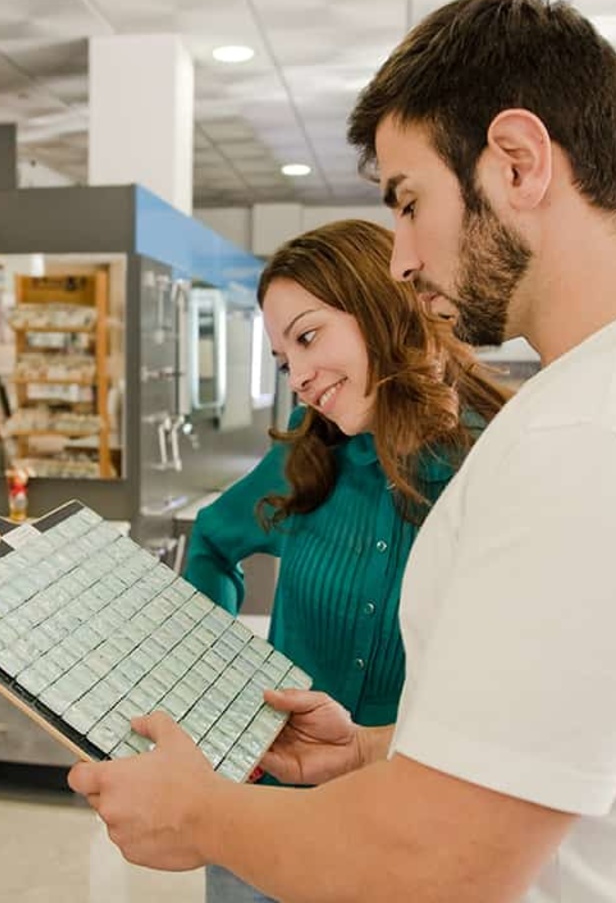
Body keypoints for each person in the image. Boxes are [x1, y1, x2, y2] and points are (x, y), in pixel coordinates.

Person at [68, 0, 616, 903]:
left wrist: (193, 812)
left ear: (518, 162)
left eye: (409, 202)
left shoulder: (568, 437)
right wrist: (366, 749)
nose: (402, 259)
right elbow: (555, 740)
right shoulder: (569, 420)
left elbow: (439, 864)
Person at [181, 219, 508, 903]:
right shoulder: (303, 461)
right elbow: (211, 541)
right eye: (282, 360)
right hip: (267, 824)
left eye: (307, 337)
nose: (298, 377)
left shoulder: (498, 463)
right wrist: (216, 677)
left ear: (380, 305)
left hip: (412, 836)